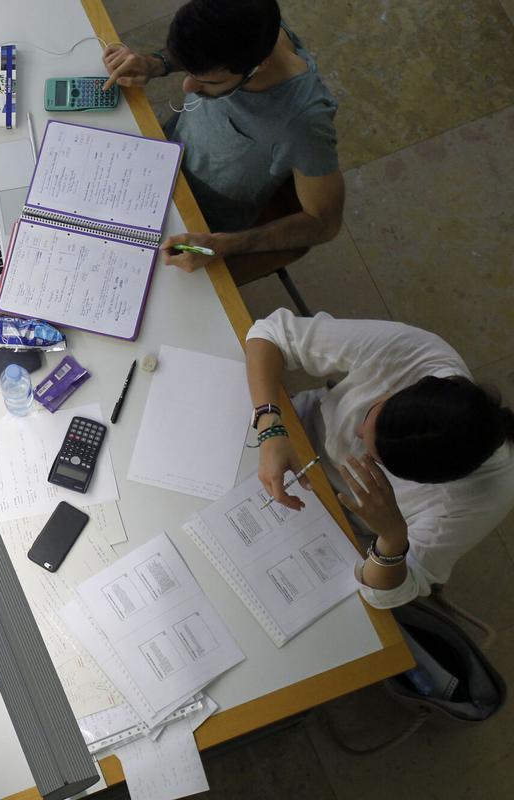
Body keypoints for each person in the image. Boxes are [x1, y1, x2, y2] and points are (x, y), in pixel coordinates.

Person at [244, 308, 514, 609]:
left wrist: (392, 537)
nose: (357, 431)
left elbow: (392, 592)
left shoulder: (479, 500)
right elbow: (270, 335)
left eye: (376, 457)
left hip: (336, 529)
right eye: (372, 413)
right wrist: (270, 427)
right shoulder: (414, 353)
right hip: (289, 432)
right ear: (410, 388)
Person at [100, 0, 344, 273]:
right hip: (162, 160)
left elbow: (323, 223)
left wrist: (219, 246)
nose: (187, 86)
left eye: (207, 81)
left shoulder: (302, 125)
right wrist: (156, 63)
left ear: (258, 65)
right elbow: (204, 49)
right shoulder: (243, 20)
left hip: (198, 216)